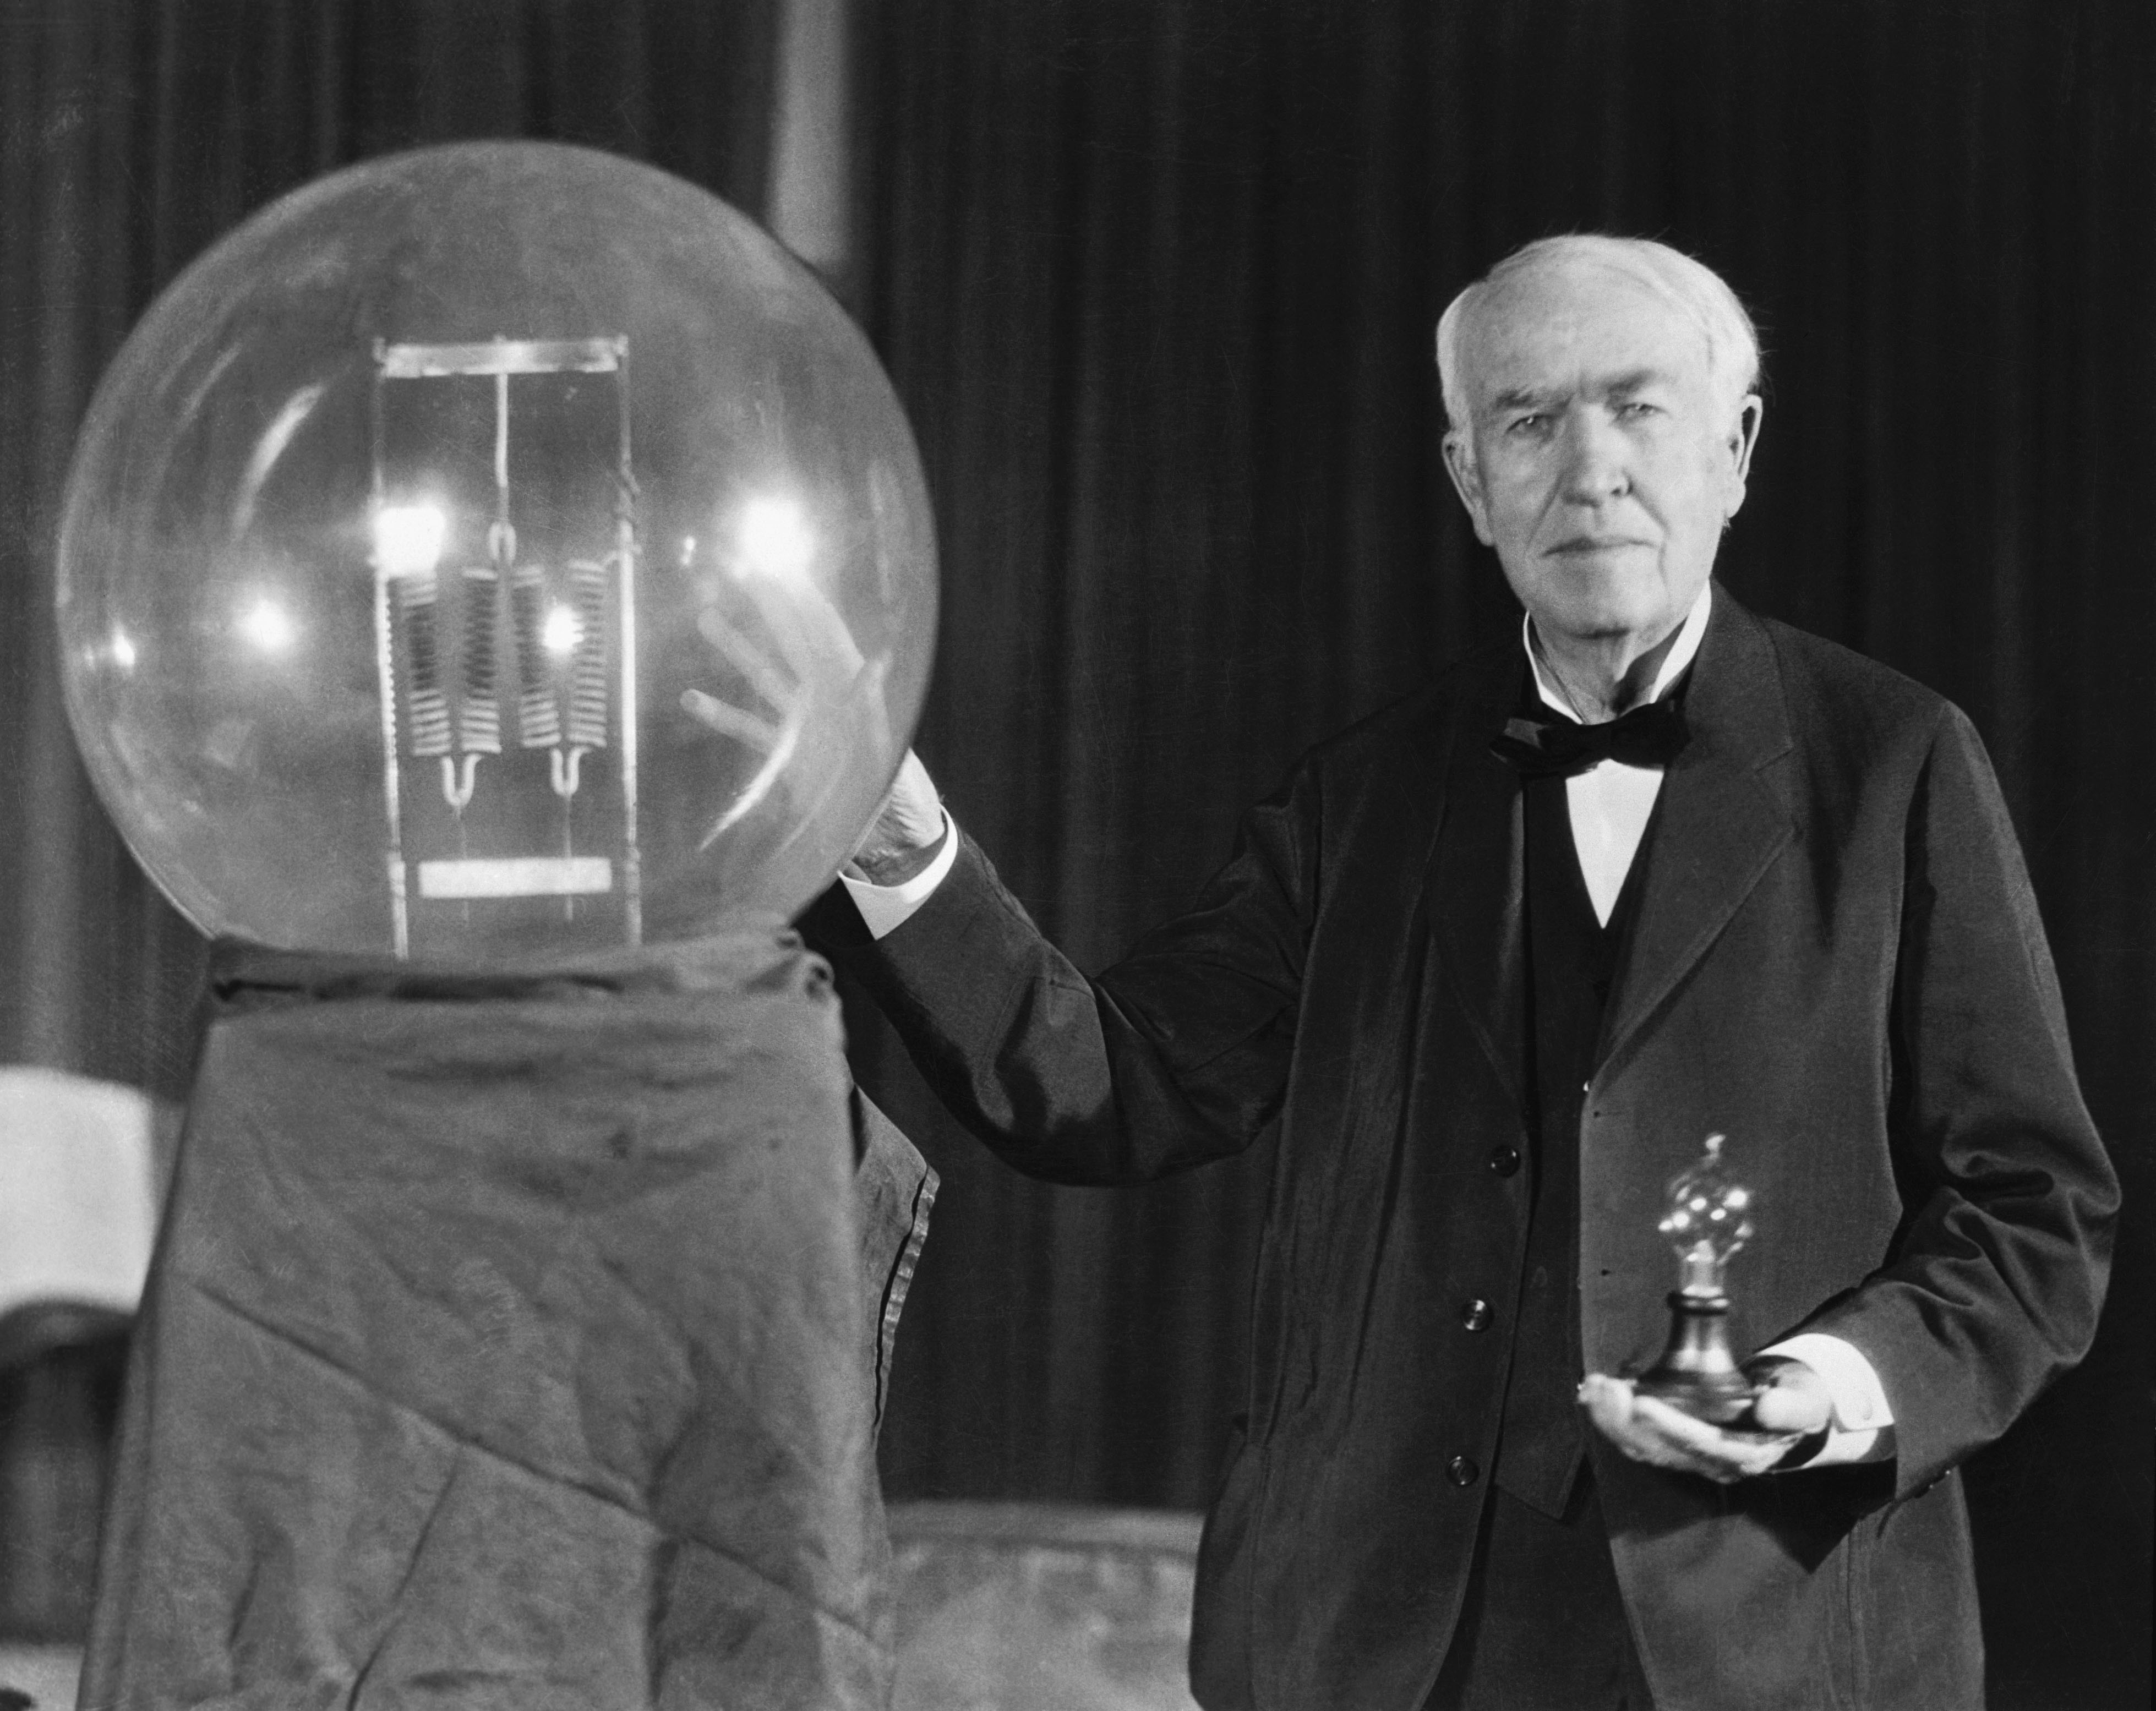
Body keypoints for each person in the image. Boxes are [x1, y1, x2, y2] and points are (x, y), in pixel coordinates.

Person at [806, 236, 2118, 1710]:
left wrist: (1828, 1389)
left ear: (1736, 450)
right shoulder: (1361, 800)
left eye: (1638, 408)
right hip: (1379, 1650)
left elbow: (2035, 1218)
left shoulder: (1898, 765)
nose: (1591, 470)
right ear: (1469, 480)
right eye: (1530, 420)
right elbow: (1109, 1087)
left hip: (1774, 1647)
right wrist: (897, 839)